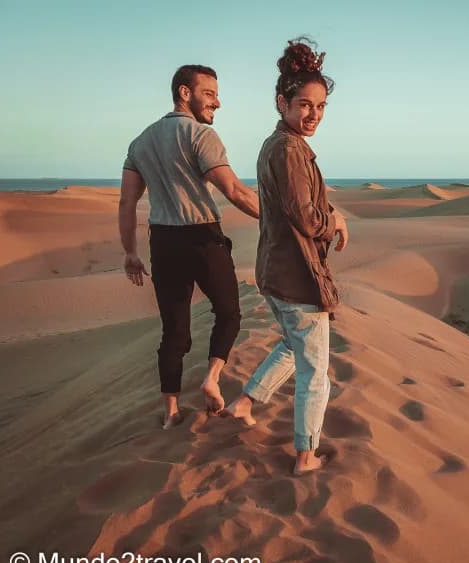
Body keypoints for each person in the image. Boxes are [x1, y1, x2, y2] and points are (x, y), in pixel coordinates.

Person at [224, 38, 348, 476]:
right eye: (304, 104)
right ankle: (306, 455)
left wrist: (330, 214)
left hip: (276, 271)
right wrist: (331, 222)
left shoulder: (279, 144)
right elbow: (303, 214)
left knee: (294, 347)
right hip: (296, 276)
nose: (313, 114)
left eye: (321, 106)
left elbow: (302, 206)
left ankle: (244, 404)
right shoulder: (290, 149)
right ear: (282, 102)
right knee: (316, 373)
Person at [119, 64, 260, 430]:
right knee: (229, 312)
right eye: (210, 93)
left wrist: (130, 253)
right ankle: (212, 377)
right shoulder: (201, 135)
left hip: (163, 243)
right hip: (202, 237)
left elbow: (127, 204)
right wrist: (279, 219)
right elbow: (235, 191)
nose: (218, 102)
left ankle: (171, 412)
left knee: (174, 331)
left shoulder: (140, 142)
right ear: (185, 93)